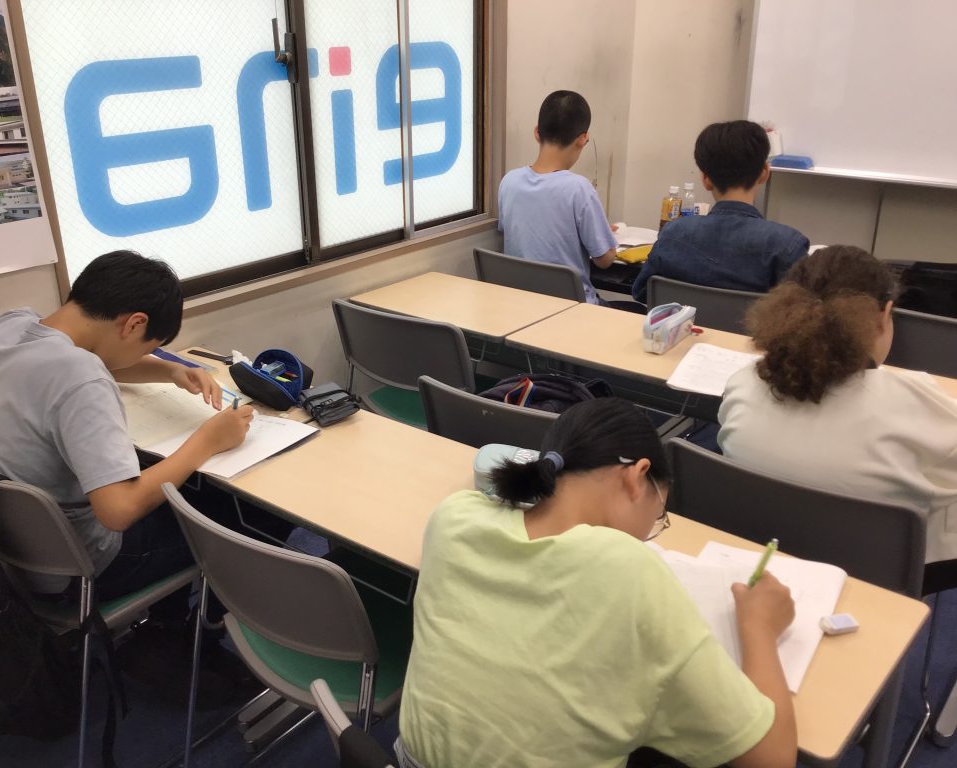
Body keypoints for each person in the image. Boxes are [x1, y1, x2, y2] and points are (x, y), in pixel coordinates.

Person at [398, 398, 797, 768]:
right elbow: (773, 759)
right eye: (658, 516)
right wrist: (759, 627)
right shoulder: (629, 569)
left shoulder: (453, 516)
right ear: (637, 476)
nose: (649, 533)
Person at [0, 250, 254, 600]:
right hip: (79, 566)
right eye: (149, 347)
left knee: (171, 481)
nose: (144, 355)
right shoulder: (83, 379)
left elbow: (88, 357)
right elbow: (119, 511)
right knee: (235, 517)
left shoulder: (11, 326)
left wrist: (170, 369)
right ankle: (189, 622)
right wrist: (208, 440)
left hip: (0, 549)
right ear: (134, 324)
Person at [719, 245, 957, 593]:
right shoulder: (917, 402)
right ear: (884, 315)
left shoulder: (743, 383)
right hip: (881, 575)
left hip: (762, 547)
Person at [632, 120, 809, 303]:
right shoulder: (788, 245)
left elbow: (644, 292)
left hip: (685, 323)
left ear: (705, 179)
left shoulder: (674, 232)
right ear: (764, 172)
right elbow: (801, 311)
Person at [498, 90, 623, 307]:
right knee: (639, 311)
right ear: (582, 139)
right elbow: (604, 260)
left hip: (522, 307)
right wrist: (603, 237)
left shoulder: (509, 181)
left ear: (537, 132)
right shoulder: (579, 188)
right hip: (572, 311)